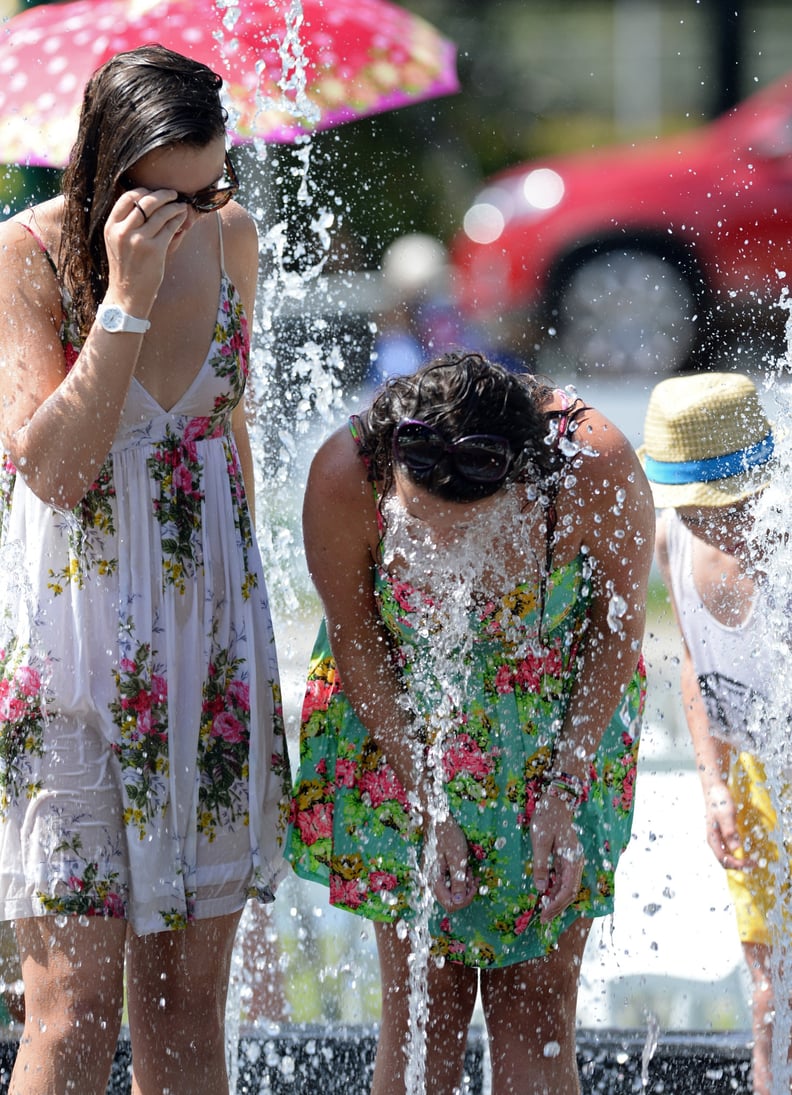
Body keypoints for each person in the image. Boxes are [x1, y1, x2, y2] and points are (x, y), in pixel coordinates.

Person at [0, 45, 291, 1095]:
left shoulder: (234, 237)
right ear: (102, 173)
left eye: (206, 188)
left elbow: (231, 431)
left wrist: (254, 640)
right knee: (71, 1014)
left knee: (185, 1020)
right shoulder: (28, 257)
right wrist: (122, 300)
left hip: (208, 649)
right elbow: (56, 470)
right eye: (159, 197)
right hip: (74, 661)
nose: (187, 215)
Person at [288, 352, 653, 1094]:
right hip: (396, 720)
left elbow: (620, 632)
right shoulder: (344, 474)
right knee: (424, 1014)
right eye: (421, 533)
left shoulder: (594, 466)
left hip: (559, 727)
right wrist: (427, 801)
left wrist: (564, 787)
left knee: (538, 1017)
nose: (443, 558)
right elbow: (357, 646)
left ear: (524, 481)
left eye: (470, 535)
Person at [640, 372, 781, 1095]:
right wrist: (714, 785)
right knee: (768, 998)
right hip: (753, 781)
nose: (718, 521)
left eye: (732, 505)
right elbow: (695, 663)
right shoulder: (673, 537)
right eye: (700, 506)